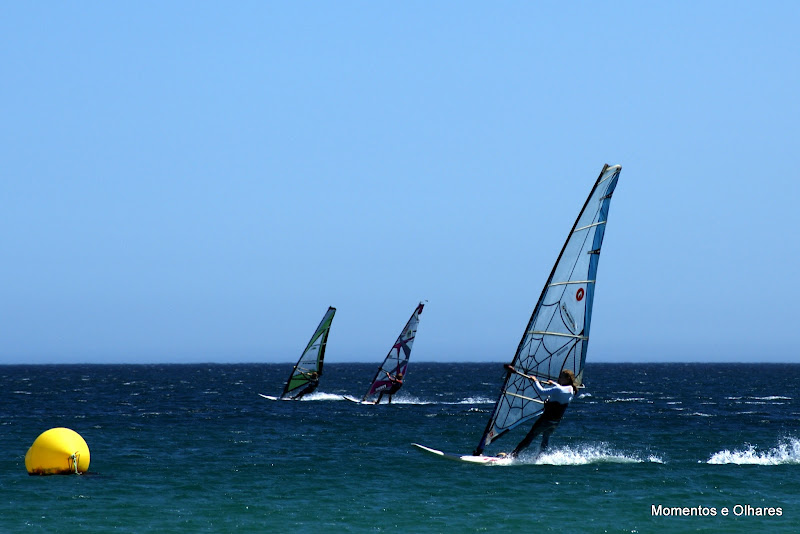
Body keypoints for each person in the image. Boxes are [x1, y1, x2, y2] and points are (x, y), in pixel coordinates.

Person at [505, 365, 578, 457]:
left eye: (561, 377)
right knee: (545, 438)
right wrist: (554, 383)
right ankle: (540, 457)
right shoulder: (572, 390)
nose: (559, 378)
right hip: (555, 422)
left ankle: (513, 455)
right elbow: (561, 389)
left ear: (567, 378)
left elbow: (541, 391)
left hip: (546, 420)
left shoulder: (558, 389)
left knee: (530, 436)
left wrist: (535, 381)